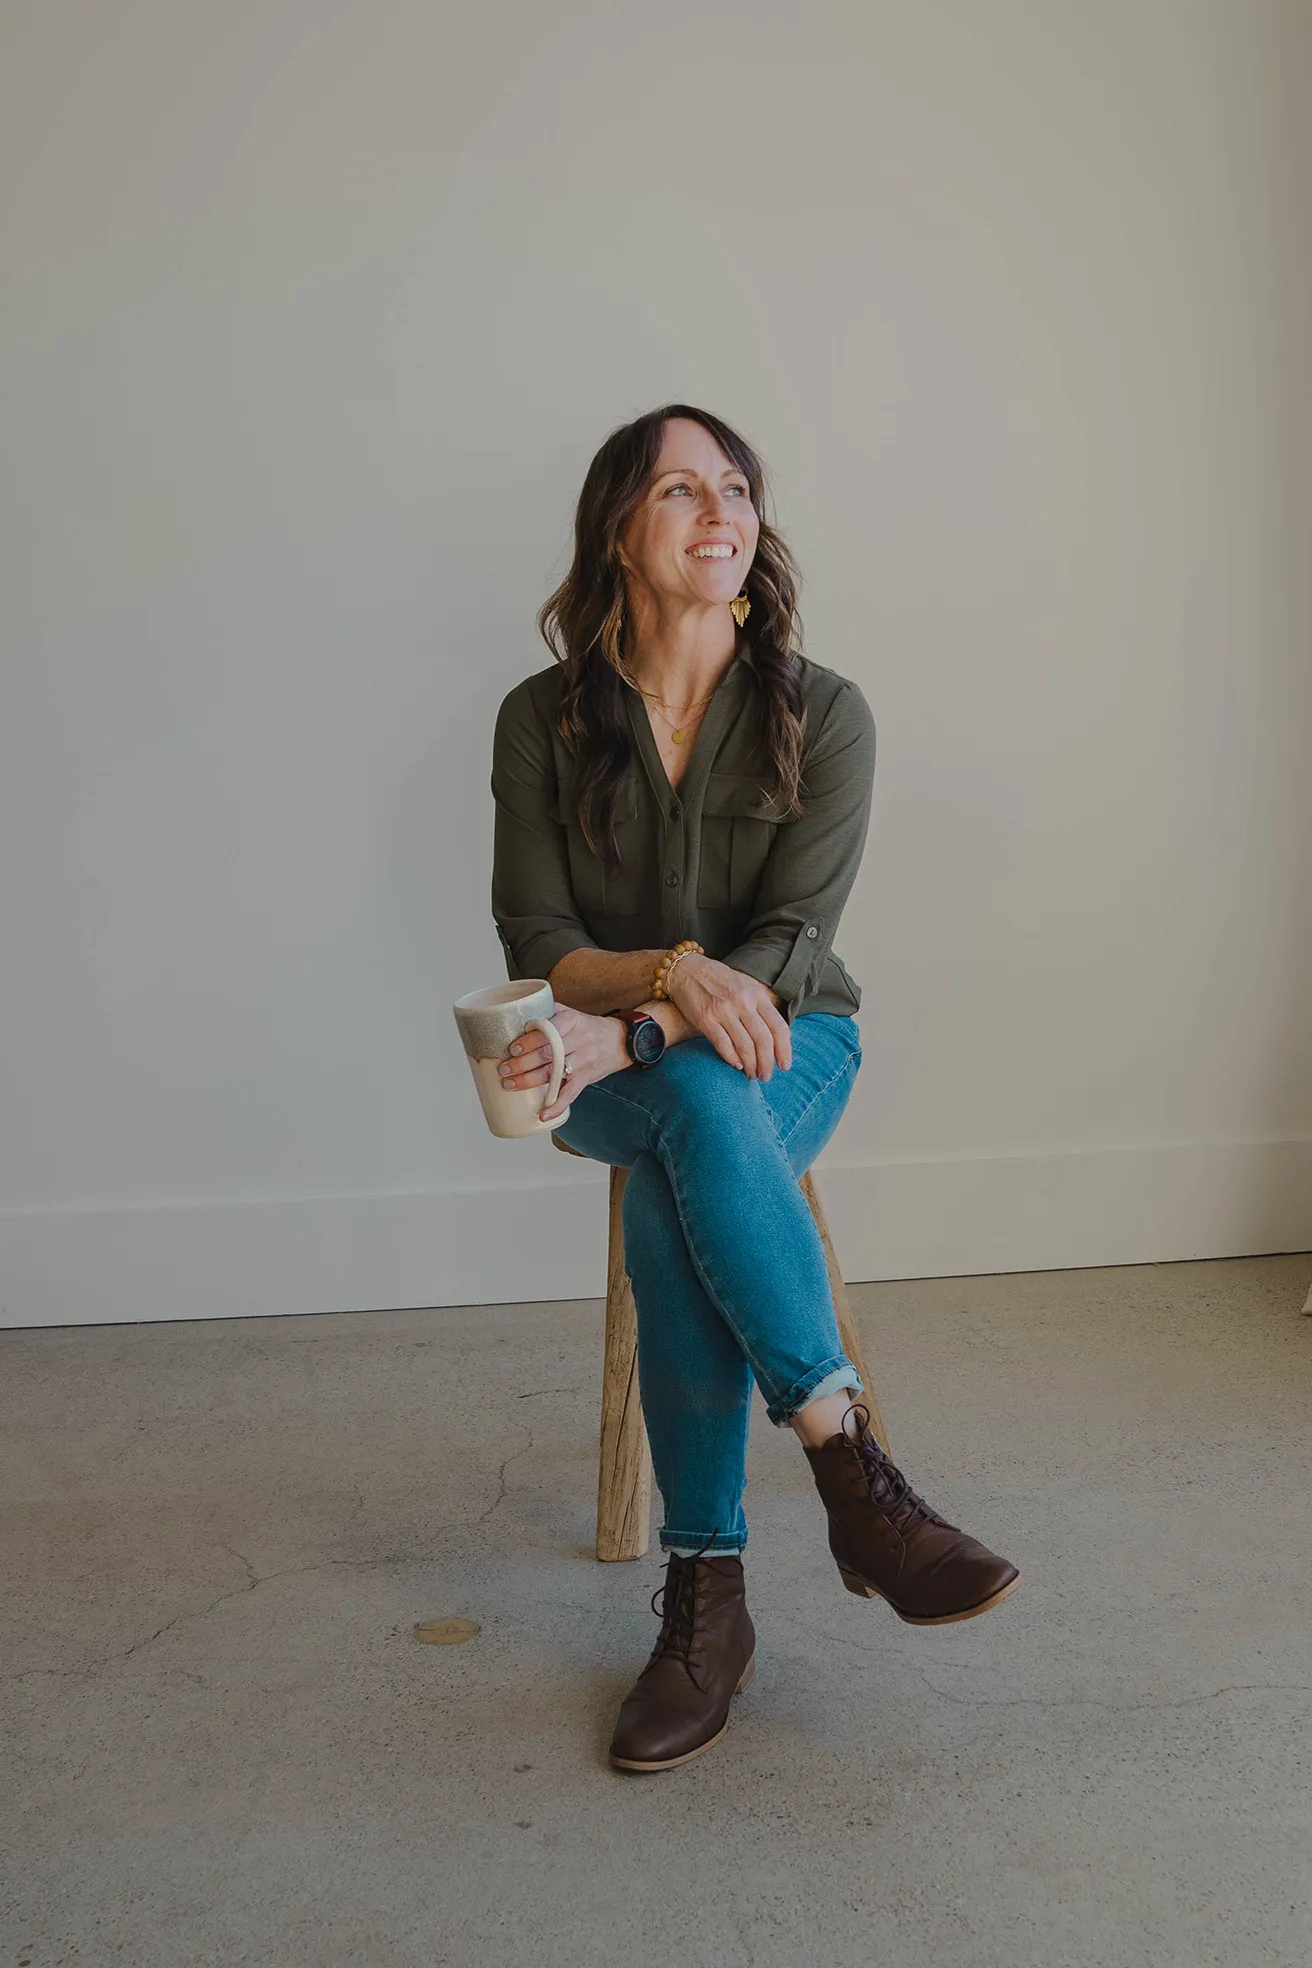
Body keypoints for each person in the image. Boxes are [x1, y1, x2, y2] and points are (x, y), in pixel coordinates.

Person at [489, 404, 1020, 1774]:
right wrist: (668, 980)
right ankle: (853, 1472)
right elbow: (538, 944)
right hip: (596, 1068)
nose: (720, 511)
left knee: (701, 1123)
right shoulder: (539, 722)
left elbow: (794, 947)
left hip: (787, 1047)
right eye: (681, 491)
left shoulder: (825, 714)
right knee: (688, 1121)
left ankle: (706, 1603)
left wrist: (658, 1025)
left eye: (735, 488)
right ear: (622, 531)